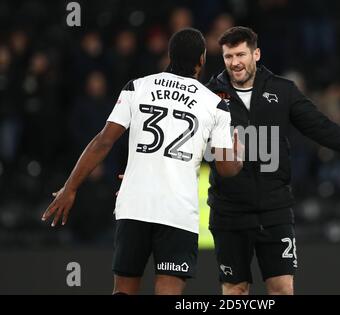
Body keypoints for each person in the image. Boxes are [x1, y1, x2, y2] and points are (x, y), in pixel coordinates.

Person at [206, 26, 340, 295]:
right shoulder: (207, 95)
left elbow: (322, 129)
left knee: (282, 288)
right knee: (234, 289)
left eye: (241, 55)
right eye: (228, 57)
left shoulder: (283, 90)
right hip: (228, 210)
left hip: (274, 209)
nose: (235, 63)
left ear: (256, 54)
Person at [41, 28, 242, 295]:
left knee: (123, 289)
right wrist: (238, 155)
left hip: (135, 204)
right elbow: (226, 169)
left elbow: (103, 141)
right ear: (202, 59)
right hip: (177, 210)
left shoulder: (138, 86)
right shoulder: (215, 104)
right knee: (168, 291)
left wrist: (70, 188)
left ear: (169, 55)